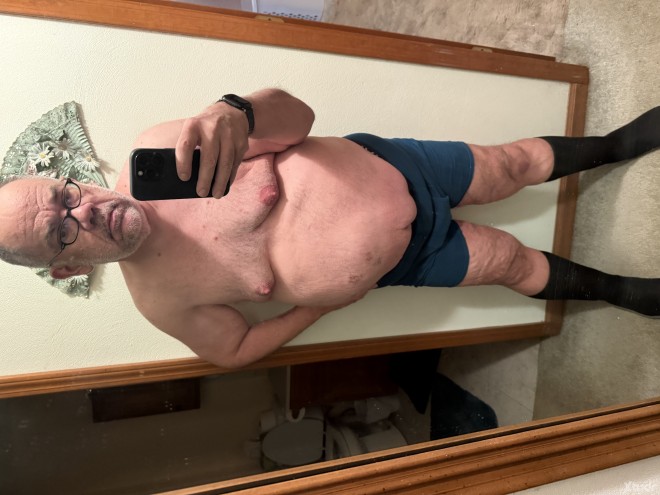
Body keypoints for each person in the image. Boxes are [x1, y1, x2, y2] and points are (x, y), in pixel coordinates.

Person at [0, 88, 658, 368]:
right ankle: (620, 290)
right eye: (62, 233)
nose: (83, 212)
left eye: (64, 194)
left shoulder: (164, 148)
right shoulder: (161, 300)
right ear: (68, 268)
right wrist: (321, 303)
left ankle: (616, 144)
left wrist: (236, 109)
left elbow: (300, 118)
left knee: (510, 164)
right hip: (405, 261)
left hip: (393, 166)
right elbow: (234, 350)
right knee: (509, 262)